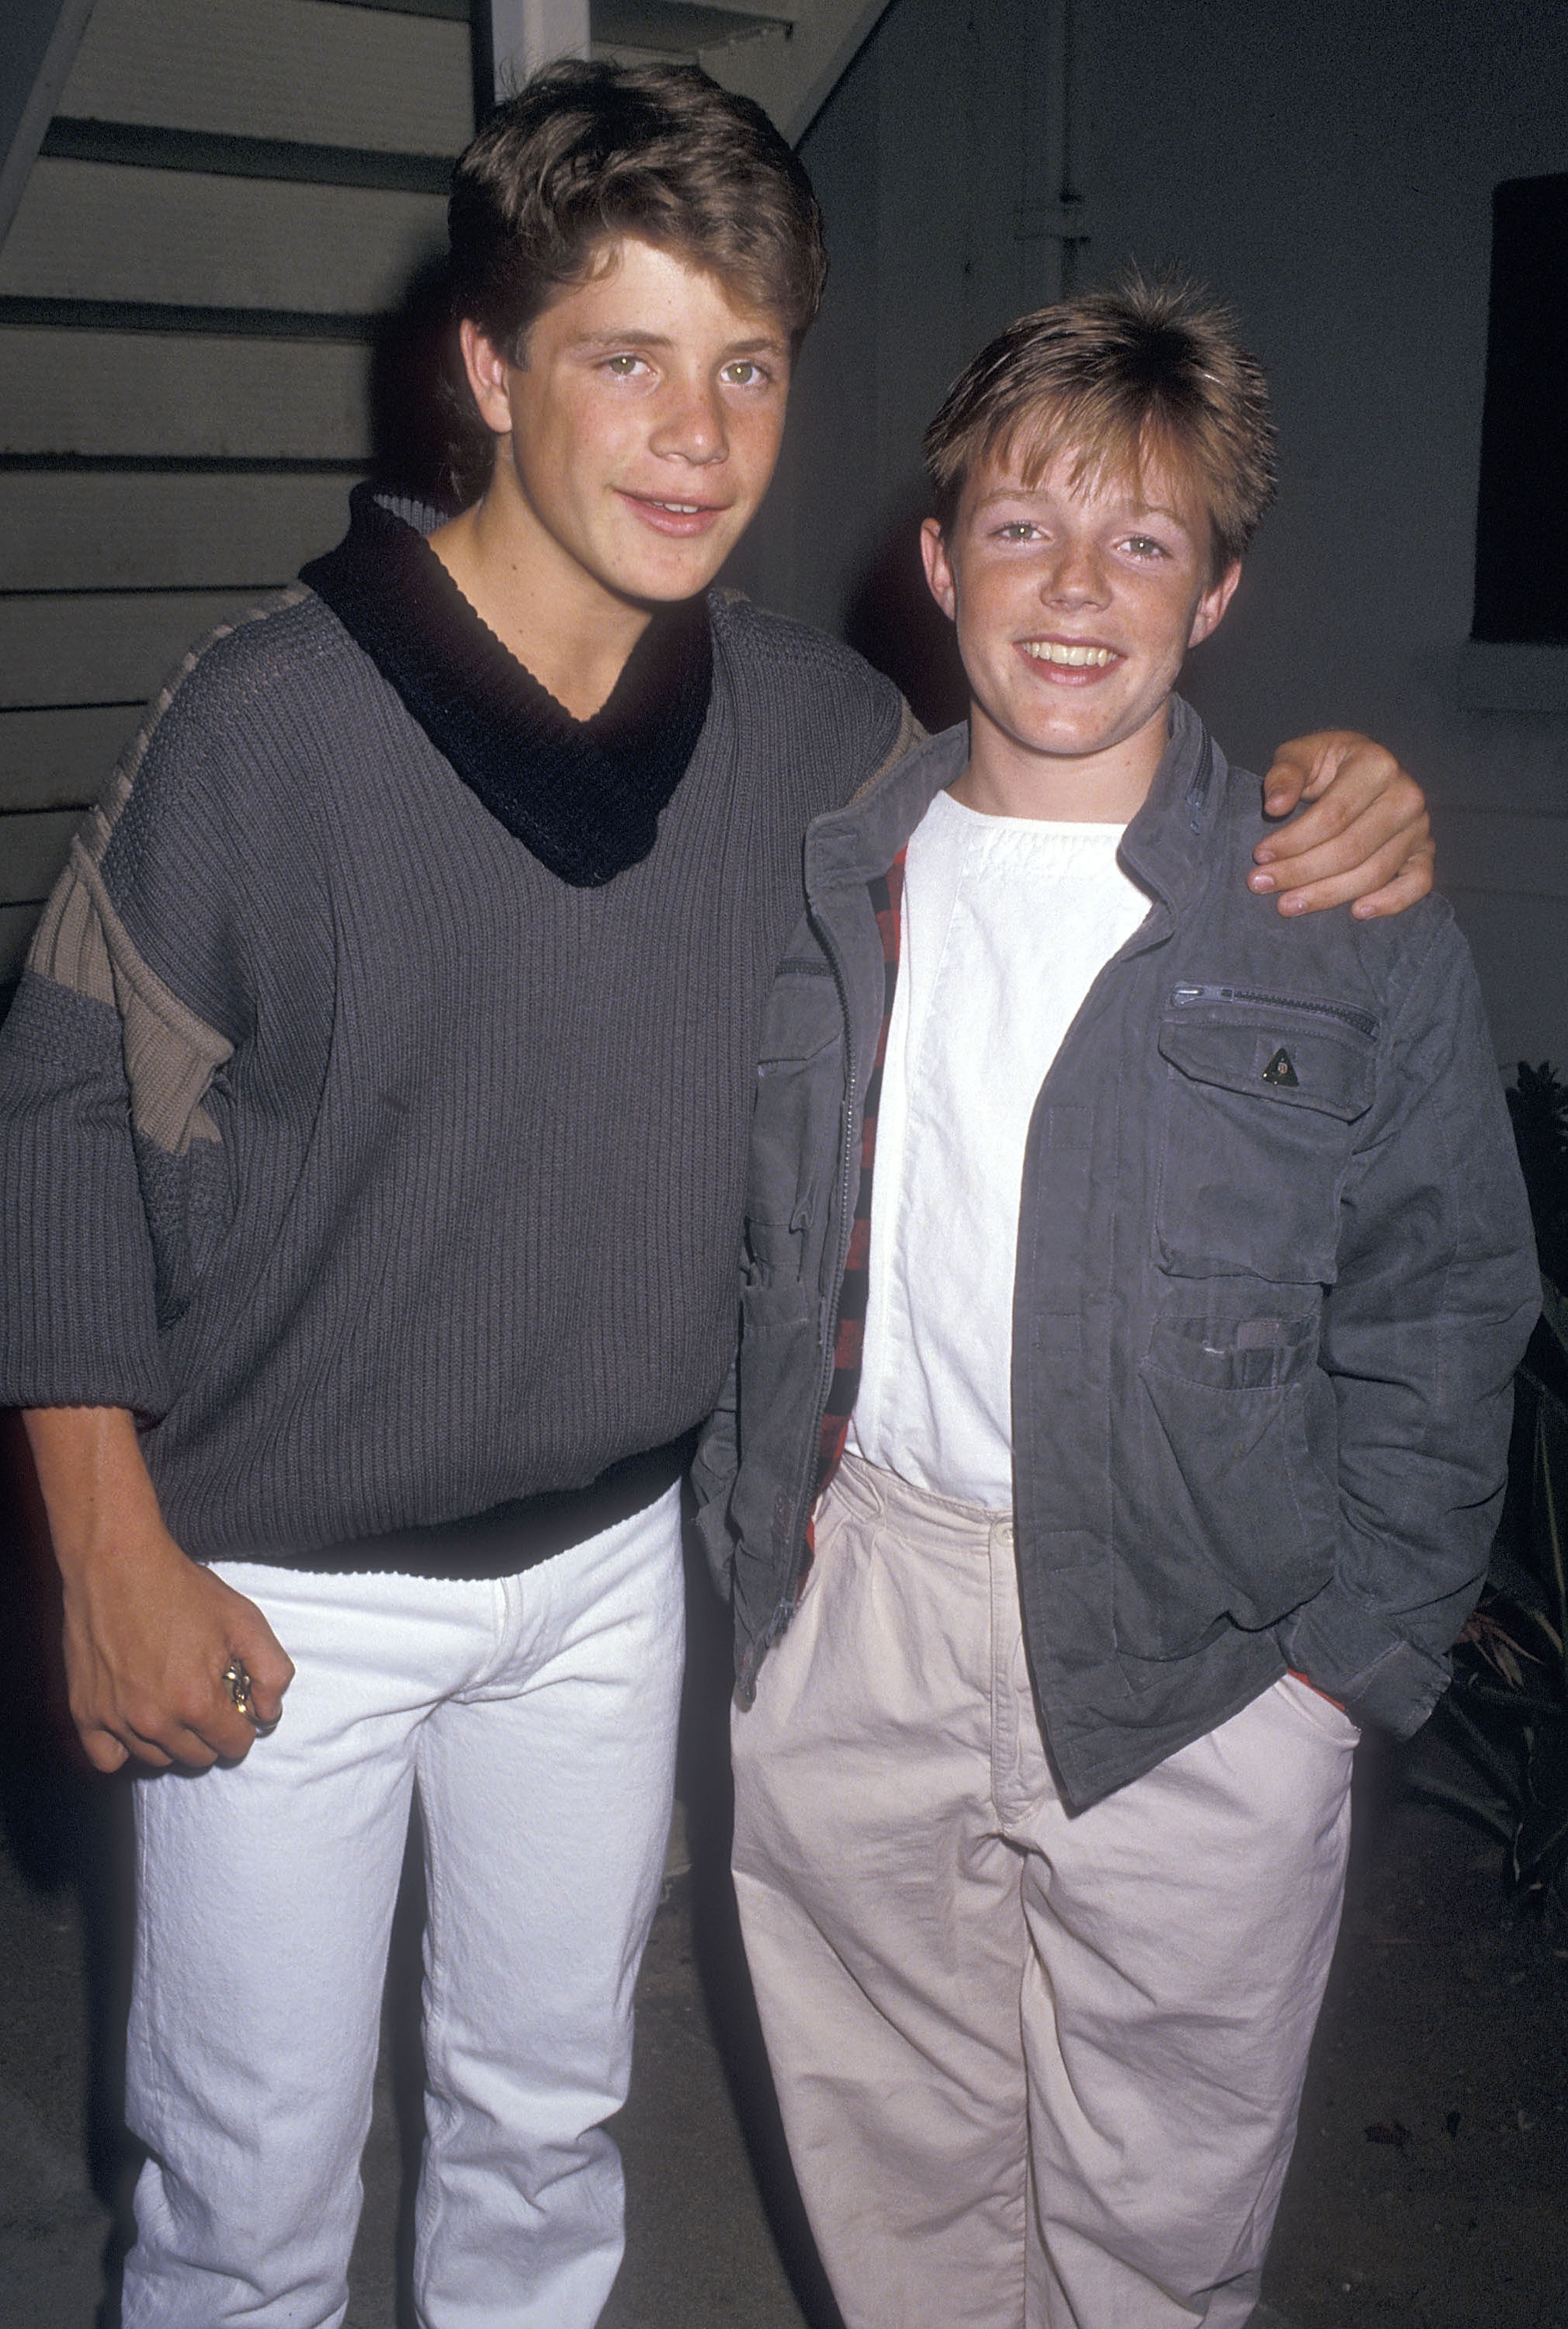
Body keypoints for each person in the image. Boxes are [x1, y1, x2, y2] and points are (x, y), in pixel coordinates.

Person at [0, 56, 1431, 2329]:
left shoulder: (814, 740)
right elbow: (59, 1095)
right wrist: (105, 1549)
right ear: (486, 369)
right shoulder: (264, 725)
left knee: (543, 2131)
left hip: (608, 1583)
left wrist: (1330, 789)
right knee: (246, 2198)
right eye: (627, 356)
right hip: (280, 1590)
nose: (694, 431)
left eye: (746, 365)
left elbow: (1063, 762)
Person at [695, 278, 1539, 2329]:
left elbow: (1442, 1310)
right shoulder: (822, 880)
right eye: (1020, 526)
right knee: (887, 2170)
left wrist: (1349, 1668)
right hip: (858, 1606)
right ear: (933, 557)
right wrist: (761, 1586)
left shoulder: (1333, 915)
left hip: (1202, 1646)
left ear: (1218, 590)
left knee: (1158, 2207)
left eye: (1142, 539)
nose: (1074, 590)